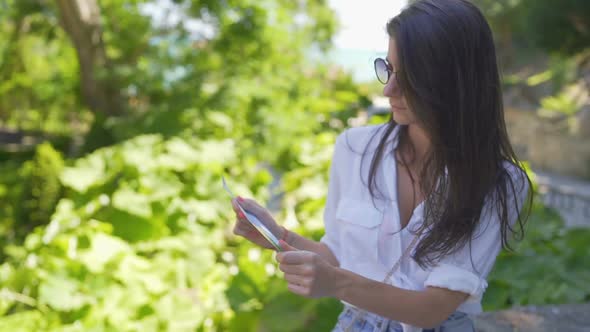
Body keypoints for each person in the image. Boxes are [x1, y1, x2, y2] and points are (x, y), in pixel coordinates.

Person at [230, 0, 532, 331]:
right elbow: (337, 256)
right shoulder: (354, 148)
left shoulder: (498, 182)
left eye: (412, 77)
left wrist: (335, 283)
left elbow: (431, 310)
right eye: (388, 69)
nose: (388, 89)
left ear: (456, 81)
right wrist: (278, 235)